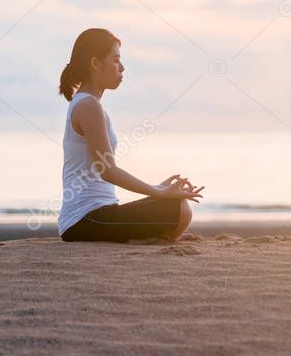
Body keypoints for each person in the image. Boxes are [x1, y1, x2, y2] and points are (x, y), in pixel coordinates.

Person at [56, 28, 203, 242]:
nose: (122, 67)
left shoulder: (89, 104)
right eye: (116, 60)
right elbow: (107, 170)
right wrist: (158, 192)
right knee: (179, 208)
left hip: (96, 214)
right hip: (85, 219)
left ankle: (151, 237)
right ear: (95, 63)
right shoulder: (88, 106)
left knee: (177, 206)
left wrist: (159, 188)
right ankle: (152, 237)